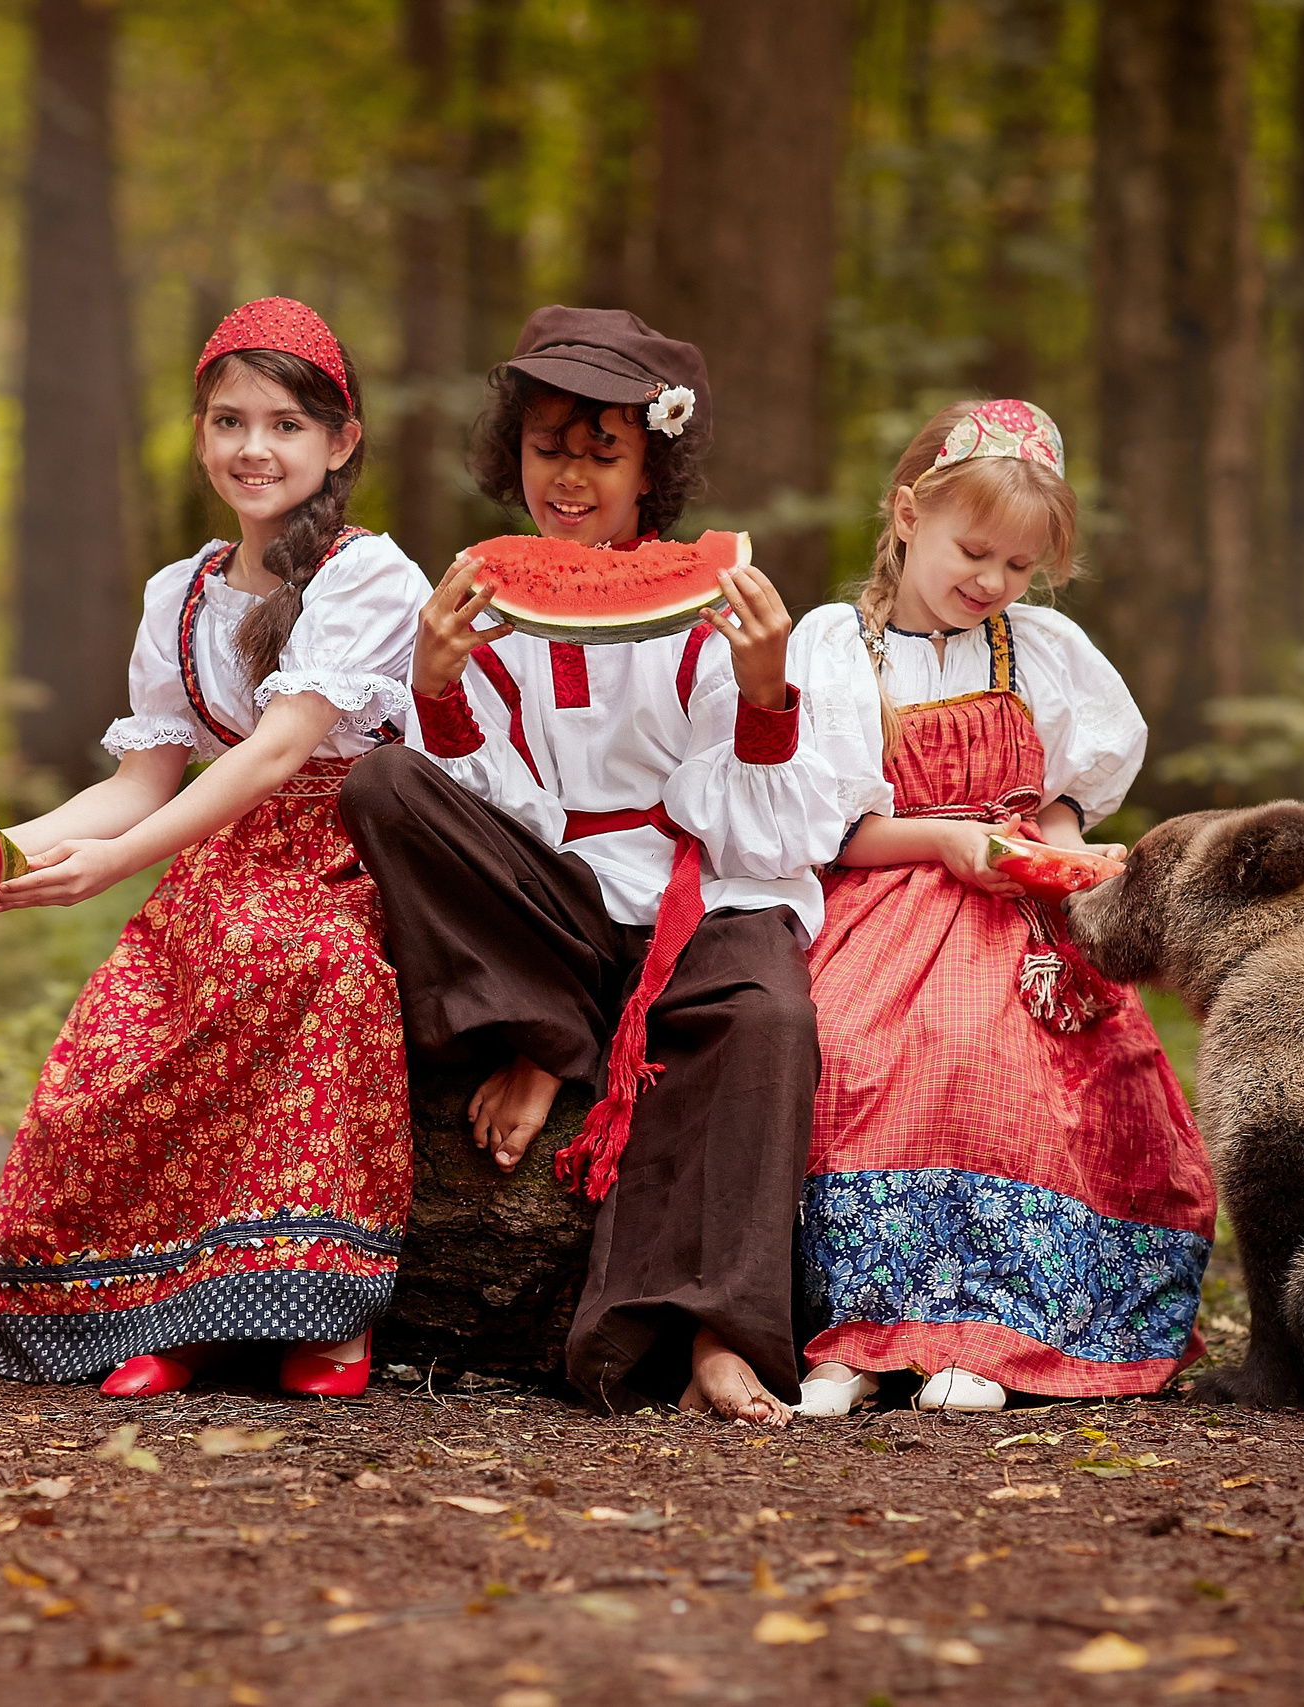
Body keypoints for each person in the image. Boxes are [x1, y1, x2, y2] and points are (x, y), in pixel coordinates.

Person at [338, 306, 856, 1426]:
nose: (568, 481)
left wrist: (764, 694)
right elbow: (477, 813)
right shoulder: (479, 597)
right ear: (510, 452)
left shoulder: (713, 607)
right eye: (546, 448)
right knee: (381, 787)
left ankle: (718, 1336)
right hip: (546, 903)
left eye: (600, 452)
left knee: (769, 1019)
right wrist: (435, 683)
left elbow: (771, 835)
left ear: (650, 464)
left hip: (693, 891)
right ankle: (548, 1033)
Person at [0, 299, 431, 1400]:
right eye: (229, 422)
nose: (253, 449)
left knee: (307, 968)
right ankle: (170, 1313)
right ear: (198, 434)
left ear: (341, 441)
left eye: (284, 424)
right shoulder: (176, 594)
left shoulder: (370, 576)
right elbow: (139, 781)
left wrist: (122, 866)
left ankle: (321, 1318)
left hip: (351, 851)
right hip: (216, 861)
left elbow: (277, 755)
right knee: (113, 1048)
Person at [786, 399, 1217, 1417]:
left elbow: (1064, 792)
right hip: (888, 894)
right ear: (905, 516)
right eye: (972, 552)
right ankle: (859, 1333)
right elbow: (826, 828)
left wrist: (1062, 850)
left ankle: (998, 1330)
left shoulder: (1042, 650)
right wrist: (940, 839)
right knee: (856, 1050)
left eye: (1017, 568)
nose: (991, 583)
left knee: (1022, 1065)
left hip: (1016, 911)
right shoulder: (837, 647)